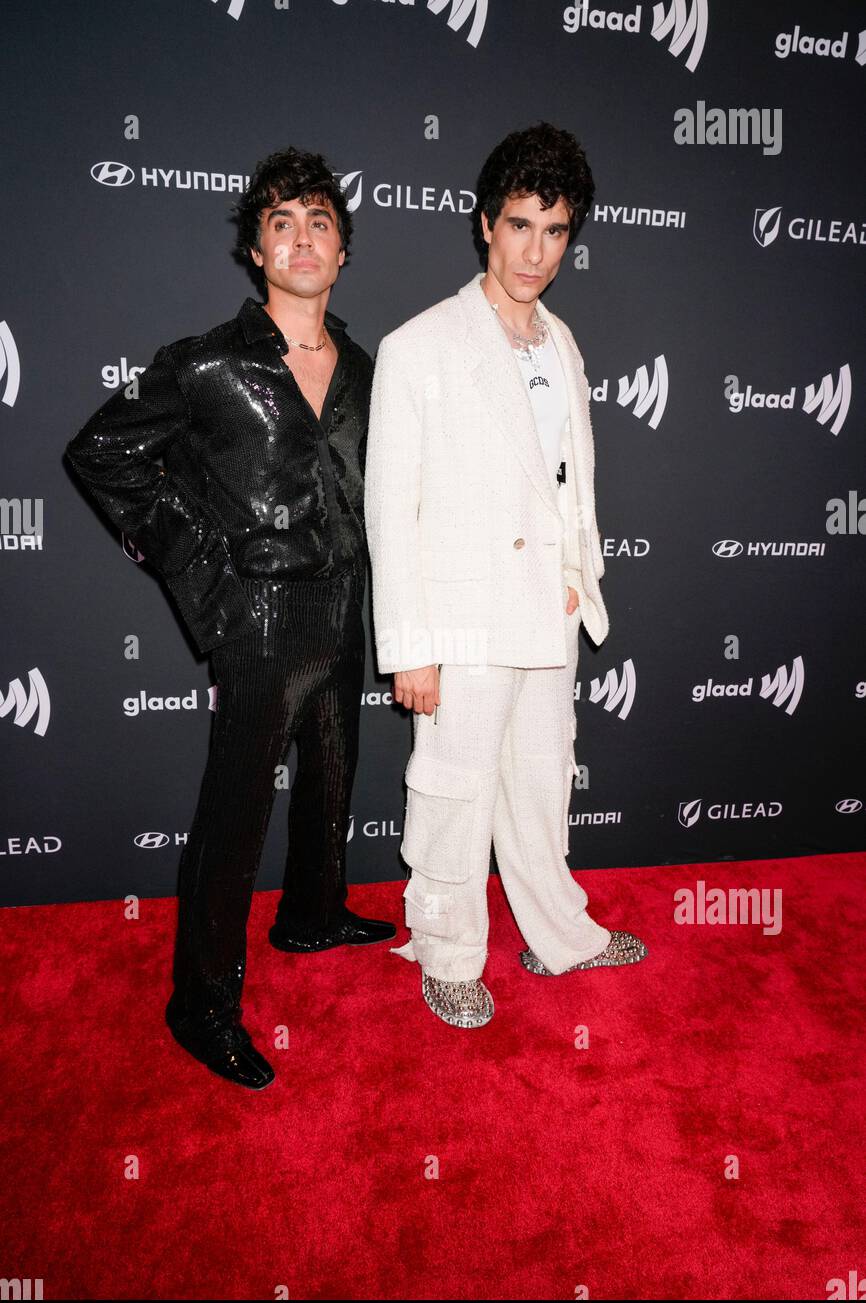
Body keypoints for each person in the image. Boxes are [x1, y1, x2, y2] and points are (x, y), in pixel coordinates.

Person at [65, 146, 395, 1089]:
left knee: (334, 779)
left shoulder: (371, 370)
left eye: (320, 224)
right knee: (235, 816)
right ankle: (200, 1001)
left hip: (346, 606)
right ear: (256, 250)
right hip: (256, 622)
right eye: (282, 223)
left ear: (341, 254)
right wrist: (203, 568)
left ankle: (312, 914)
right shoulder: (204, 361)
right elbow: (101, 455)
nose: (302, 239)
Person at [364, 122, 647, 1029]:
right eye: (520, 225)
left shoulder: (562, 341)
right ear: (485, 224)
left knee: (541, 779)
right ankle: (447, 952)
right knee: (452, 789)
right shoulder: (421, 344)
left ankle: (557, 932)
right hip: (463, 619)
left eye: (556, 231)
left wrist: (576, 572)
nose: (536, 251)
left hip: (547, 615)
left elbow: (566, 479)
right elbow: (390, 511)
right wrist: (410, 646)